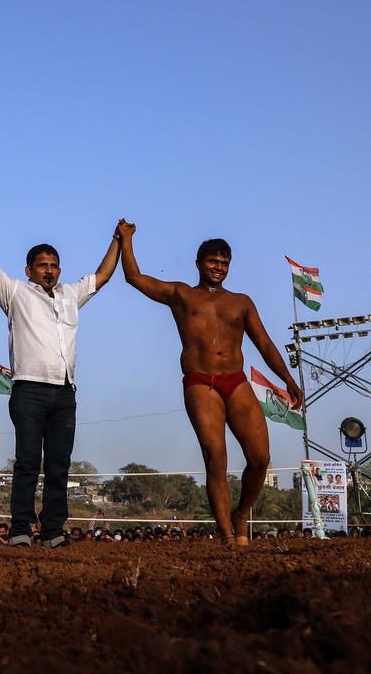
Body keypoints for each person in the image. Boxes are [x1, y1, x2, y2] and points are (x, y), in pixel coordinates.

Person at [118, 220, 303, 545]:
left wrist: (288, 379)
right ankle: (228, 535)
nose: (218, 267)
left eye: (224, 263)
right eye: (212, 261)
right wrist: (126, 239)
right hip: (200, 382)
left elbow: (265, 344)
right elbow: (135, 278)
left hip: (236, 380)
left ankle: (242, 512)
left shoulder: (241, 302)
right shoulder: (181, 294)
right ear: (199, 264)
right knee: (216, 456)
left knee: (260, 458)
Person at [0, 192, 120, 548]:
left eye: (54, 264)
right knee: (26, 463)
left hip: (65, 392)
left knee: (59, 466)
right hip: (29, 390)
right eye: (42, 265)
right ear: (29, 270)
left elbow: (103, 275)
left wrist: (117, 240)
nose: (49, 269)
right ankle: (21, 529)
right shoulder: (16, 293)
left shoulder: (71, 295)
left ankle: (53, 531)